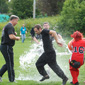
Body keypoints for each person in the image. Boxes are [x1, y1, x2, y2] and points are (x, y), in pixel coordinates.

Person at [0, 15, 20, 82]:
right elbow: (11, 37)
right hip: (7, 47)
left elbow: (8, 35)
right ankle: (12, 80)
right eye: (16, 21)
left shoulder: (7, 26)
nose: (17, 23)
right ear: (13, 19)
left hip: (4, 47)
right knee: (10, 64)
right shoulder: (10, 26)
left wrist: (14, 33)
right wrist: (17, 38)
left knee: (8, 63)